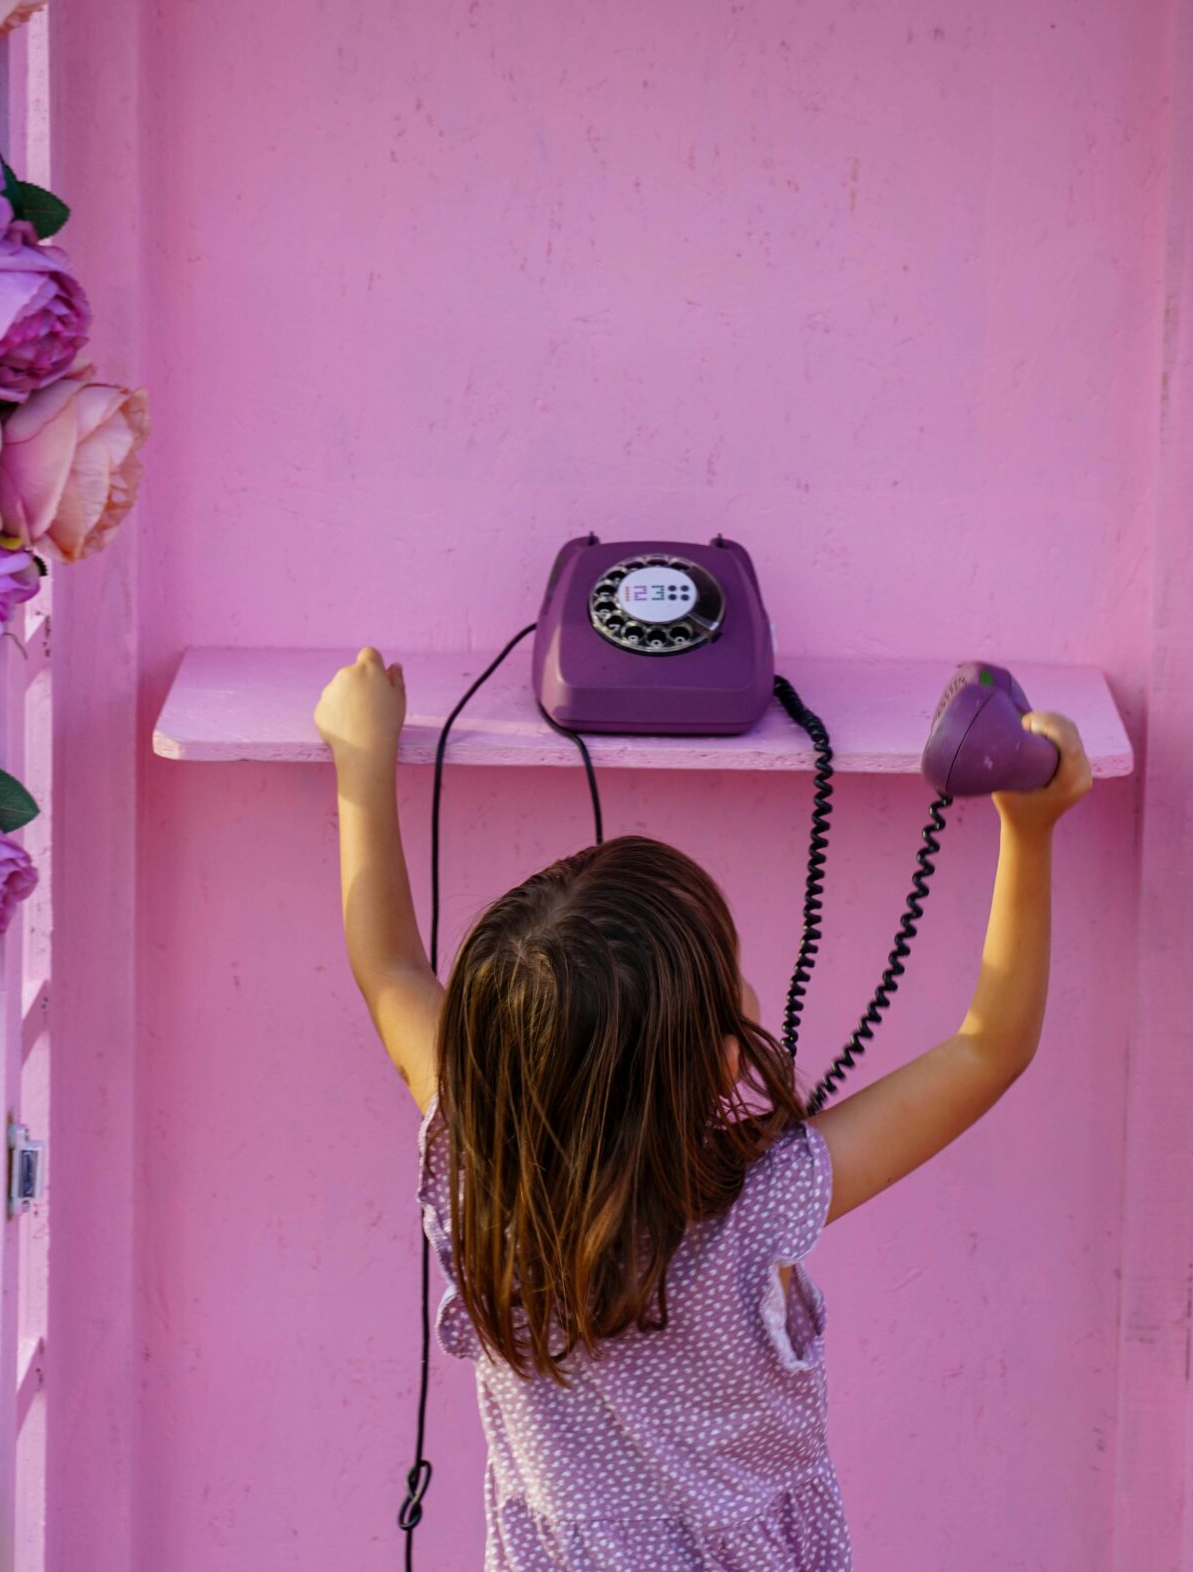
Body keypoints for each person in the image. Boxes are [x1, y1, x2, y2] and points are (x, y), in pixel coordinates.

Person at [314, 646, 1091, 1570]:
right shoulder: (759, 1202)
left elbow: (392, 969)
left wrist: (359, 757)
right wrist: (1029, 828)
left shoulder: (480, 1165)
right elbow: (989, 1046)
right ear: (724, 1063)